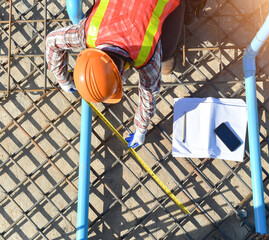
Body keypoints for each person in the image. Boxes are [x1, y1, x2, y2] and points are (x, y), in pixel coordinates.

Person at [46, 0, 205, 148]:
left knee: (165, 57)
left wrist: (141, 130)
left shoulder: (145, 53)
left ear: (122, 72)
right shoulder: (88, 31)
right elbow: (52, 41)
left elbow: (149, 92)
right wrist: (64, 80)